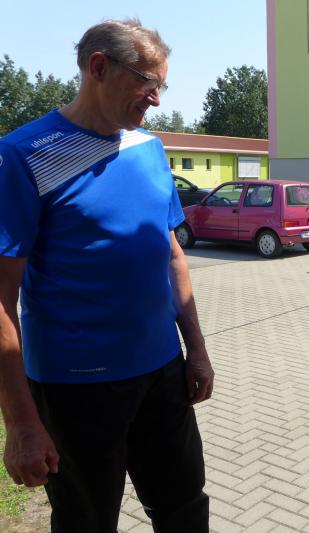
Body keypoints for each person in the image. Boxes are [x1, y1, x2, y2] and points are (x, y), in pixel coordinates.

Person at [0, 19, 213, 532]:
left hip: (162, 372)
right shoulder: (22, 156)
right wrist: (21, 421)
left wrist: (197, 349)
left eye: (162, 86)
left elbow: (171, 256)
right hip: (76, 389)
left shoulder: (149, 148)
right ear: (99, 67)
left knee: (185, 508)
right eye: (147, 82)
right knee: (86, 522)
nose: (156, 99)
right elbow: (1, 299)